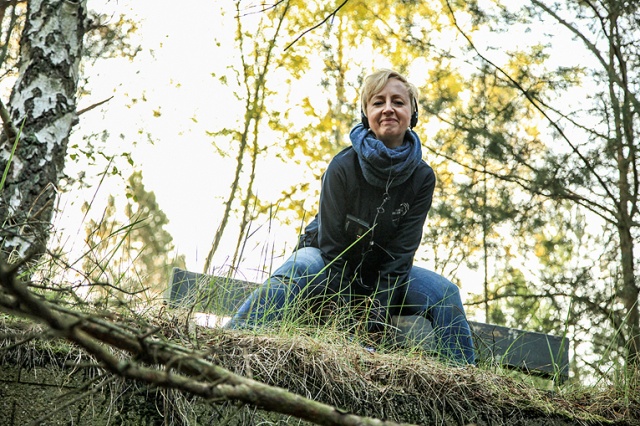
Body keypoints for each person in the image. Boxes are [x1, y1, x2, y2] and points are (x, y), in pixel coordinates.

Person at [225, 69, 475, 365]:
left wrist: (375, 321)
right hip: (324, 261)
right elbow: (332, 248)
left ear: (412, 113)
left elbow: (400, 255)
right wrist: (346, 319)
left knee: (445, 294)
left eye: (398, 101)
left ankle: (465, 379)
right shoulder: (342, 166)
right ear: (366, 114)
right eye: (378, 102)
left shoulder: (422, 177)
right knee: (298, 268)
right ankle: (228, 345)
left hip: (382, 274)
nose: (388, 109)